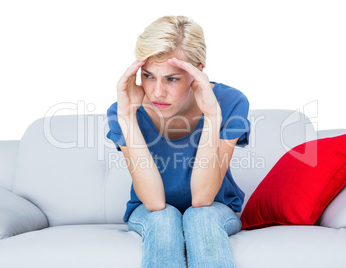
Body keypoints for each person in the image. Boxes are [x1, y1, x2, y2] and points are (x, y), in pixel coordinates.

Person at [107, 15, 250, 268]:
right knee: (164, 218)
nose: (157, 92)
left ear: (197, 73)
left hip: (215, 208)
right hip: (150, 212)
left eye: (172, 79)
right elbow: (154, 203)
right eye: (149, 76)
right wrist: (127, 116)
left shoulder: (230, 102)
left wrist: (212, 114)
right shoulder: (124, 108)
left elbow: (203, 199)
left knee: (201, 217)